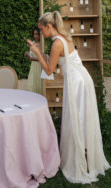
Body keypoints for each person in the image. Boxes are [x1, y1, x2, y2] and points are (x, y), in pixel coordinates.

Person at [26, 11, 110, 184]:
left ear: (49, 26)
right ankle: (84, 154)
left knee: (77, 120)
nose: (41, 33)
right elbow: (55, 61)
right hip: (81, 79)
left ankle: (80, 158)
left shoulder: (57, 43)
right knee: (81, 119)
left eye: (42, 29)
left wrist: (36, 51)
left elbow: (49, 70)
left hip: (76, 83)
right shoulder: (64, 38)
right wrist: (37, 57)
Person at [24, 26, 43, 94]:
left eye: (37, 34)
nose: (35, 36)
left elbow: (43, 58)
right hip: (33, 67)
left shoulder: (42, 44)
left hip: (40, 67)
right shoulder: (31, 43)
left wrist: (32, 58)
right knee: (31, 85)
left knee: (39, 85)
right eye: (34, 34)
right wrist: (28, 54)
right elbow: (32, 56)